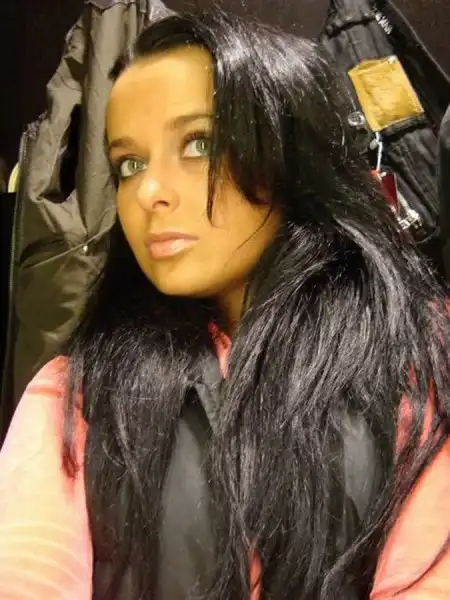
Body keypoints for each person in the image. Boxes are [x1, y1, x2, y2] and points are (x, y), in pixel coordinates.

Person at [0, 9, 449, 600]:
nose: (149, 193)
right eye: (129, 164)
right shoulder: (75, 392)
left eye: (199, 143)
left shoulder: (419, 363)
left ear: (288, 152)